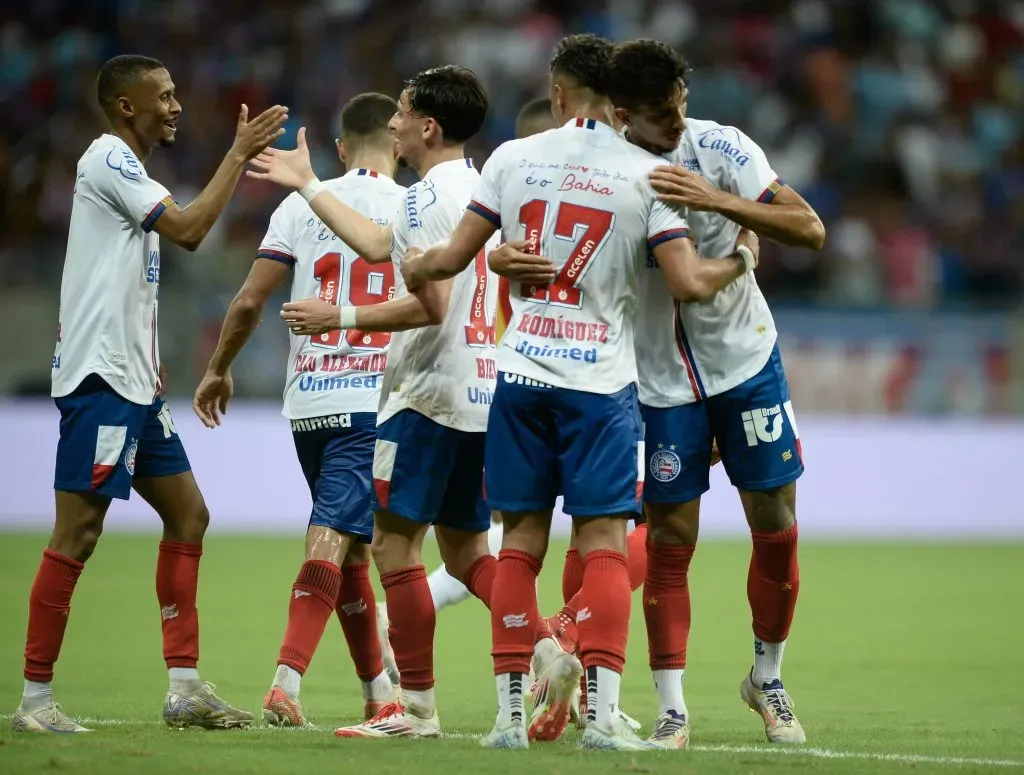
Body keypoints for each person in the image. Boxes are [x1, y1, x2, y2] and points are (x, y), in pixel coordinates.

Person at [400, 33, 756, 751]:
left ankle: (506, 720)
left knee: (521, 545)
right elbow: (686, 282)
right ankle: (603, 717)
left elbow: (448, 261)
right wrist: (742, 254)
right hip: (599, 384)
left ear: (557, 93)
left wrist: (418, 264)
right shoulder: (647, 172)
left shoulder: (510, 159)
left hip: (522, 375)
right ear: (617, 101)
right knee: (601, 546)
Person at [12, 54, 287, 733]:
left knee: (189, 515)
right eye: (162, 96)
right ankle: (34, 700)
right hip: (99, 380)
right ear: (125, 105)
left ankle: (185, 687)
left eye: (175, 94)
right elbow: (192, 231)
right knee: (77, 532)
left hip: (137, 387)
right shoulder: (107, 158)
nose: (176, 106)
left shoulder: (137, 176)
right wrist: (237, 154)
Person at [247, 65, 500, 740]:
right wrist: (304, 184)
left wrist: (340, 316)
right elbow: (382, 246)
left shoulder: (420, 198)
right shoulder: (482, 192)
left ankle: (401, 705)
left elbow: (428, 301)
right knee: (461, 551)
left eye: (404, 111)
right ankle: (540, 646)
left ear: (426, 126)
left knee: (388, 545)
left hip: (411, 396)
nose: (394, 123)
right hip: (479, 388)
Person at [607, 39, 826, 747]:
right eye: (658, 118)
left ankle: (767, 676)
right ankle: (672, 706)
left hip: (745, 360)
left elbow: (809, 228)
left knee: (776, 517)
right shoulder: (608, 173)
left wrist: (718, 199)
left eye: (678, 110)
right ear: (620, 114)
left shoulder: (724, 149)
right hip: (660, 380)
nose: (674, 127)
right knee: (671, 537)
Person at [192, 93, 406, 728]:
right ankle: (285, 683)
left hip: (308, 402)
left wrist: (218, 367)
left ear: (340, 149)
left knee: (350, 549)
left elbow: (252, 300)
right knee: (337, 538)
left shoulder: (298, 204)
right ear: (396, 144)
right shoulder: (412, 206)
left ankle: (378, 694)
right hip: (374, 400)